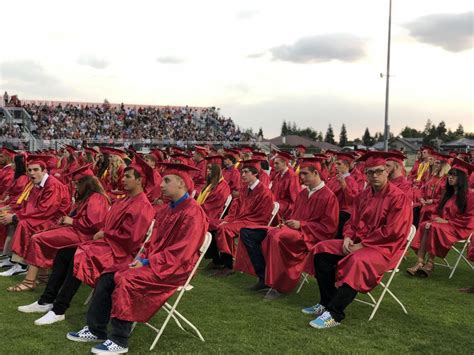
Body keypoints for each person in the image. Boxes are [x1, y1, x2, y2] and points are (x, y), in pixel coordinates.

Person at [66, 163, 208, 354]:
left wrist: (147, 262)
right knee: (109, 273)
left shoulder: (193, 212)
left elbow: (182, 251)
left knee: (127, 279)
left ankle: (119, 340)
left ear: (182, 184)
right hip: (153, 261)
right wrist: (141, 257)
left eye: (167, 181)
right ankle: (95, 329)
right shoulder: (167, 210)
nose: (161, 185)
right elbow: (152, 243)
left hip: (175, 269)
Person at [16, 160, 154, 325]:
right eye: (123, 176)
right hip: (106, 244)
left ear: (139, 180)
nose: (123, 179)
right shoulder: (125, 200)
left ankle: (59, 310)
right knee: (63, 253)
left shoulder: (142, 205)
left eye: (128, 176)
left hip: (120, 252)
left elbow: (131, 238)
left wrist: (105, 233)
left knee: (78, 256)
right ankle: (46, 301)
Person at [303, 151, 412, 329]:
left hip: (383, 249)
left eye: (378, 171)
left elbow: (393, 231)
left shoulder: (398, 198)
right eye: (370, 172)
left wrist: (362, 245)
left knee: (357, 261)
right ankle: (326, 301)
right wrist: (347, 237)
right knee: (322, 249)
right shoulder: (364, 195)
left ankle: (334, 313)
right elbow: (352, 221)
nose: (374, 176)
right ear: (365, 174)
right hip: (357, 242)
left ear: (386, 171)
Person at [237, 157, 339, 299]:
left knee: (275, 236)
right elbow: (295, 215)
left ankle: (277, 285)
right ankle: (263, 277)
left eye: (305, 174)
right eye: (301, 174)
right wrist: (287, 223)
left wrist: (301, 225)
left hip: (310, 237)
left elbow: (329, 228)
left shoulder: (328, 196)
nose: (301, 178)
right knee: (249, 232)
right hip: (291, 231)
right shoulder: (303, 193)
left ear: (316, 173)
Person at [7, 165, 109, 292]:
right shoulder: (89, 197)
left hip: (84, 235)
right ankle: (43, 277)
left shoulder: (96, 198)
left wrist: (72, 221)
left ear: (86, 184)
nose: (75, 187)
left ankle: (29, 281)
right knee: (40, 234)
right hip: (76, 230)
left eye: (77, 184)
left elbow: (94, 224)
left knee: (37, 238)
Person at [0, 155, 70, 277]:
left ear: (44, 171)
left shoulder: (53, 185)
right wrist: (13, 214)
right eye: (30, 170)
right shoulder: (37, 184)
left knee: (23, 223)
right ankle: (11, 257)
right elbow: (29, 206)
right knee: (12, 220)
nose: (32, 173)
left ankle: (21, 265)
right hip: (42, 216)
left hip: (54, 220)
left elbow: (45, 210)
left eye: (36, 170)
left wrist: (16, 217)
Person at [407, 159, 474, 277]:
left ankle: (430, 263)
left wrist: (447, 221)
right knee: (425, 225)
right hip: (445, 225)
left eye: (454, 176)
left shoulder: (470, 195)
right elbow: (438, 210)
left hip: (460, 228)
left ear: (462, 178)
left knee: (433, 227)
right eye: (449, 175)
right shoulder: (449, 194)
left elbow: (470, 217)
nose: (450, 178)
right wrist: (436, 218)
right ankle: (420, 263)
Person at [209, 162, 274, 276]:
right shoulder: (244, 189)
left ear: (255, 174)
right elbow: (235, 207)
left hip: (254, 222)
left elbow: (263, 216)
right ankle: (217, 260)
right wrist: (229, 219)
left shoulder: (265, 192)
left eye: (246, 172)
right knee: (212, 224)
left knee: (224, 229)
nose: (242, 174)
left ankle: (229, 265)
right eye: (242, 172)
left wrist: (237, 220)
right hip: (240, 219)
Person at [326, 152, 360, 239]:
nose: (335, 166)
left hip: (343, 212)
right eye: (335, 163)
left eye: (338, 164)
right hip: (331, 210)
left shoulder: (351, 181)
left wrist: (344, 185)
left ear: (346, 165)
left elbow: (352, 200)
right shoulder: (334, 179)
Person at [196, 156, 230, 230]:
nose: (207, 171)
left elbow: (210, 207)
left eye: (210, 169)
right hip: (202, 211)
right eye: (207, 168)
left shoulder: (222, 187)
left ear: (216, 170)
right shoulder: (212, 183)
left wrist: (194, 209)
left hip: (209, 216)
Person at [270, 152, 301, 220]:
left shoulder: (292, 176)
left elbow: (295, 197)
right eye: (274, 163)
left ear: (284, 163)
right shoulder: (277, 175)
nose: (274, 166)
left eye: (277, 163)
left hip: (287, 205)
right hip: (277, 203)